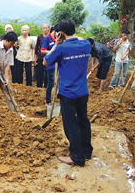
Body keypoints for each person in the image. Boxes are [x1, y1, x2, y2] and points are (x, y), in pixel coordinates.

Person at [44, 19, 93, 167]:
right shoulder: (85, 45)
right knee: (84, 119)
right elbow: (82, 39)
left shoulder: (61, 49)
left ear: (60, 33)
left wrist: (57, 44)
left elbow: (46, 62)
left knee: (71, 124)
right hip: (83, 91)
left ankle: (77, 157)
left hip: (68, 93)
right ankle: (86, 151)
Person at [41, 25, 58, 105]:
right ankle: (48, 101)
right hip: (50, 64)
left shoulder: (61, 40)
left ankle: (57, 99)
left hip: (59, 65)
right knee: (51, 83)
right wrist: (52, 53)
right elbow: (43, 50)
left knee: (58, 83)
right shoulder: (47, 38)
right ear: (54, 31)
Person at [34, 24, 49, 88]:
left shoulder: (50, 37)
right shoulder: (39, 37)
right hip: (40, 56)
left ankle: (46, 85)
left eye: (46, 28)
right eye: (43, 28)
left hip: (48, 57)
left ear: (49, 29)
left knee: (47, 72)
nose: (45, 29)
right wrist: (35, 57)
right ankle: (39, 85)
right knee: (40, 71)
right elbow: (37, 47)